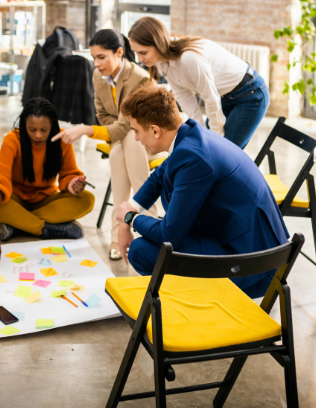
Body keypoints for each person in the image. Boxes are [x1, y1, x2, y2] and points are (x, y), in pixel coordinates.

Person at [116, 86, 289, 299]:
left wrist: (130, 217)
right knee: (152, 238)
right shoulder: (190, 135)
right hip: (248, 242)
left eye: (136, 131)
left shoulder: (193, 158)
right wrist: (129, 215)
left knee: (141, 250)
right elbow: (159, 176)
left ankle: (195, 304)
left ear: (154, 130)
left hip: (253, 265)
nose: (135, 138)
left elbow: (168, 235)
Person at [52, 29, 159, 261]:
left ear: (119, 52)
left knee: (129, 138)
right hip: (124, 142)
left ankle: (138, 233)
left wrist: (85, 130)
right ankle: (128, 230)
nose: (97, 63)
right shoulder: (98, 77)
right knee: (119, 149)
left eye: (102, 57)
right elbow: (103, 116)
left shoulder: (139, 78)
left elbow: (125, 126)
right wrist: (118, 129)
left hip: (149, 140)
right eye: (94, 58)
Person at [0, 98, 95, 261]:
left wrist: (72, 184)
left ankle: (18, 225)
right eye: (32, 130)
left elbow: (69, 173)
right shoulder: (13, 139)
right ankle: (44, 229)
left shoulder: (62, 139)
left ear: (52, 125)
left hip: (46, 199)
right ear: (23, 124)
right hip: (15, 198)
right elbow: (0, 179)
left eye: (44, 129)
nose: (38, 135)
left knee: (87, 199)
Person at [128, 16, 270, 149]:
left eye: (143, 52)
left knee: (222, 152)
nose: (139, 59)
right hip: (223, 97)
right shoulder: (161, 61)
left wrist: (213, 140)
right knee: (207, 146)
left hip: (250, 94)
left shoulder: (190, 58)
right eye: (137, 53)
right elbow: (184, 96)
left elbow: (210, 98)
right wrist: (200, 132)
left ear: (158, 43)